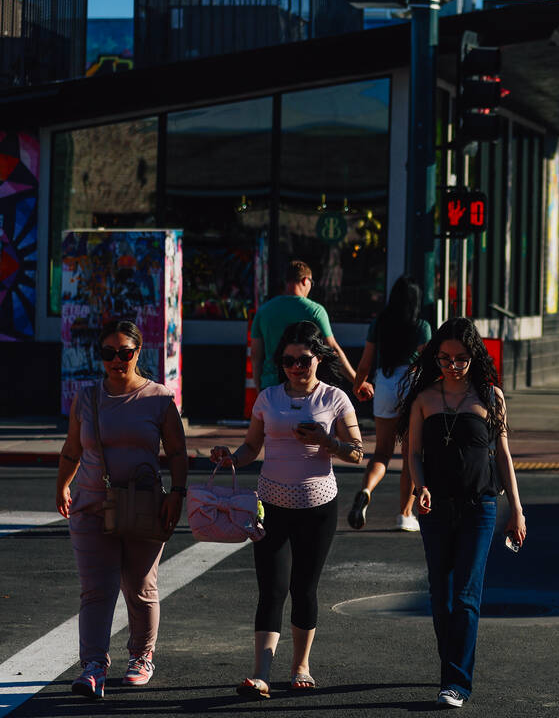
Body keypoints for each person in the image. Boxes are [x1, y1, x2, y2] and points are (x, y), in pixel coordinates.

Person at [209, 321, 365, 700]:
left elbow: (358, 452)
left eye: (304, 360)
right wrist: (231, 458)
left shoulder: (335, 398)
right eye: (288, 360)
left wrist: (327, 441)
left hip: (318, 507)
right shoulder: (268, 398)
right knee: (272, 588)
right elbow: (251, 447)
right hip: (271, 504)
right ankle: (260, 674)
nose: (296, 367)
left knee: (304, 588)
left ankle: (301, 666)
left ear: (318, 359)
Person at [55, 319, 188, 700]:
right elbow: (72, 450)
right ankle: (93, 666)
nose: (117, 360)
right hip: (91, 506)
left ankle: (142, 656)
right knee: (96, 590)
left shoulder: (158, 398)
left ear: (138, 352)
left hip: (144, 505)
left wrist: (177, 493)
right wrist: (62, 485)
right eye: (108, 353)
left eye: (125, 352)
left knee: (140, 587)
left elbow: (177, 452)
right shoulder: (86, 398)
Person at [401, 317, 526, 709]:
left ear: (474, 357)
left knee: (467, 595)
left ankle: (455, 682)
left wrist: (517, 510)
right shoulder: (424, 399)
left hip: (480, 507)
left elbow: (503, 455)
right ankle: (450, 663)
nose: (452, 366)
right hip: (435, 508)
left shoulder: (490, 396)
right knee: (441, 595)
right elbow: (414, 453)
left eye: (460, 359)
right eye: (444, 358)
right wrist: (420, 488)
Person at [349, 275, 432, 532]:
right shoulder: (421, 326)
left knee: (382, 452)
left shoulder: (379, 323)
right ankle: (405, 514)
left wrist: (357, 386)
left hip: (384, 384)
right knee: (411, 455)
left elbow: (365, 363)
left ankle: (366, 490)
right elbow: (429, 363)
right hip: (411, 385)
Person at [250, 260, 360, 392]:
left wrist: (260, 389)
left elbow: (255, 356)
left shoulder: (263, 311)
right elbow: (332, 349)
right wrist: (357, 381)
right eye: (311, 283)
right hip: (305, 387)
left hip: (270, 385)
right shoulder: (315, 311)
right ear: (305, 280)